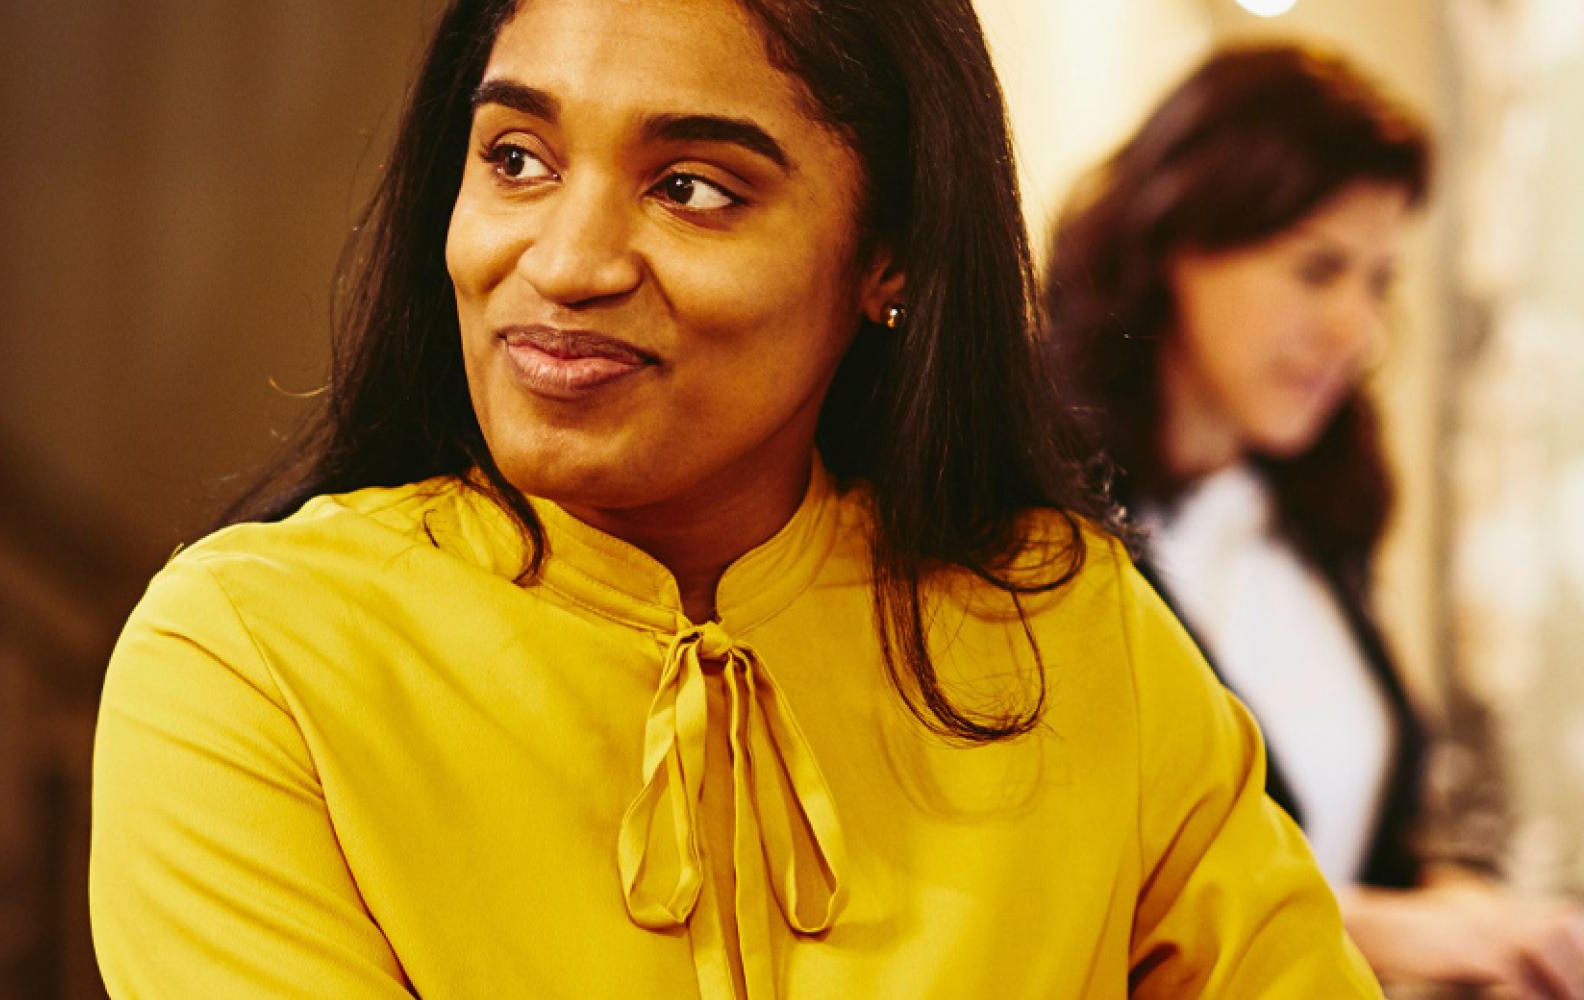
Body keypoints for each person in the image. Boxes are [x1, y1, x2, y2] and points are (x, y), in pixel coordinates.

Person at [85, 1, 1379, 996]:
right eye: (519, 159)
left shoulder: (1074, 635)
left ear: (889, 254)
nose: (567, 262)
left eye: (691, 188)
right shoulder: (250, 663)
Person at [1052, 43, 1584, 997]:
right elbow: (1083, 889)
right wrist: (1394, 927)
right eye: (1317, 269)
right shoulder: (1048, 527)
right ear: (1178, 242)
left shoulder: (1308, 516)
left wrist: (1470, 914)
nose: (1359, 331)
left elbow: (1353, 841)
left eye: (1378, 281)